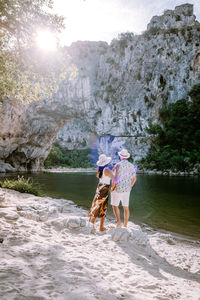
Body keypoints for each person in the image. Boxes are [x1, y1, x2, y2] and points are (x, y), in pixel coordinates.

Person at [111, 149, 136, 228]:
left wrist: (112, 188)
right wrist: (130, 186)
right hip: (127, 190)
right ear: (127, 157)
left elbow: (114, 179)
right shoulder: (131, 166)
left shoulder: (117, 165)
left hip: (117, 189)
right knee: (126, 207)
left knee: (115, 205)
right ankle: (125, 225)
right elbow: (134, 179)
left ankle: (119, 222)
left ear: (120, 156)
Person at [88, 154, 114, 231]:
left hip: (100, 187)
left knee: (97, 205)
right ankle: (100, 226)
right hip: (105, 188)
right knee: (102, 206)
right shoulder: (106, 170)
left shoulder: (100, 169)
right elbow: (114, 178)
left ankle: (92, 224)